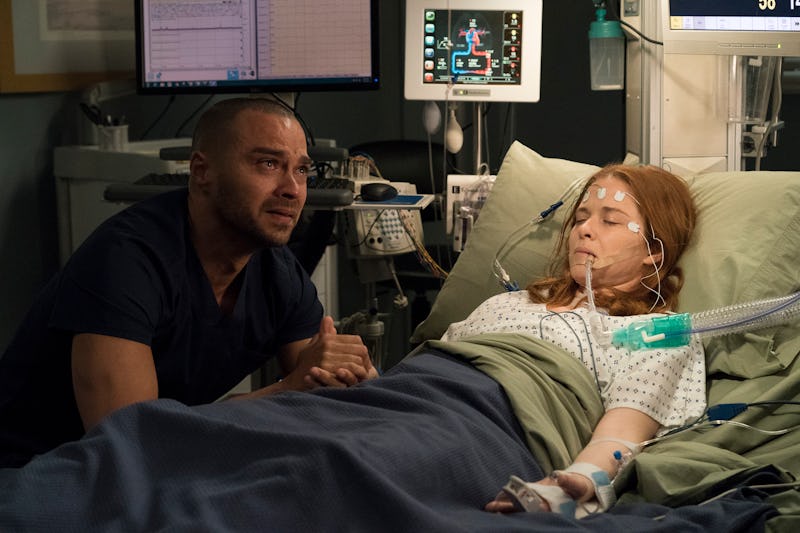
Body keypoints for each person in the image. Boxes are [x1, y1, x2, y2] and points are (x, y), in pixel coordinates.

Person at [0, 97, 376, 467]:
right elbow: (129, 444)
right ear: (201, 171)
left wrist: (350, 374)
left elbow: (320, 386)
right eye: (268, 164)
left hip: (161, 463)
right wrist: (287, 388)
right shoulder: (124, 261)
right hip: (40, 470)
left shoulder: (278, 273)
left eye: (302, 170)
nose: (293, 189)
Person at [440, 164, 705, 517]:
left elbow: (622, 433)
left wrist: (576, 482)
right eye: (581, 218)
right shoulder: (507, 303)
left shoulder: (657, 332)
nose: (584, 229)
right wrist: (373, 379)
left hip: (490, 424)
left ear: (654, 250)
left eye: (610, 221)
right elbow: (435, 366)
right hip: (419, 396)